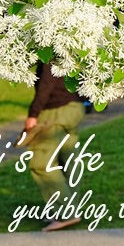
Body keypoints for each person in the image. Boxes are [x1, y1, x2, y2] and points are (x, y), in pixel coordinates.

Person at [23, 60, 86, 231]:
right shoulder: (73, 48)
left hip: (56, 111)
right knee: (70, 161)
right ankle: (70, 208)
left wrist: (33, 114)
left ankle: (67, 212)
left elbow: (46, 84)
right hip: (74, 109)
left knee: (41, 164)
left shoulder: (50, 54)